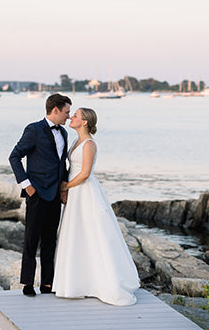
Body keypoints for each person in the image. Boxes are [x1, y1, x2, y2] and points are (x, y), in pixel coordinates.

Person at [52, 108, 140, 306]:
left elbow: (84, 173)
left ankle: (101, 282)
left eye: (75, 116)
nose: (71, 118)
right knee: (77, 235)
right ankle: (78, 282)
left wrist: (65, 186)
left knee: (93, 234)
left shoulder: (89, 144)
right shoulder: (76, 141)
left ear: (84, 122)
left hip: (85, 192)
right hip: (76, 193)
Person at [9, 93, 72, 297]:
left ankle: (47, 284)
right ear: (55, 110)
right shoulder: (34, 129)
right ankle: (27, 283)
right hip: (36, 193)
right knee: (31, 239)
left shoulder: (63, 133)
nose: (68, 116)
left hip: (54, 194)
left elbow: (61, 163)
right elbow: (14, 156)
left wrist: (64, 187)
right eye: (66, 112)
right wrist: (27, 185)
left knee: (50, 240)